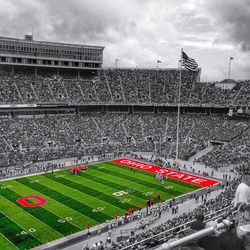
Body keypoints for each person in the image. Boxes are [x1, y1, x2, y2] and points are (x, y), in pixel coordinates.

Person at [234, 171, 250, 249]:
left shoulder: (244, 186)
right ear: (248, 179)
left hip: (244, 216)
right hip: (243, 217)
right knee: (242, 236)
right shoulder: (244, 188)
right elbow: (242, 206)